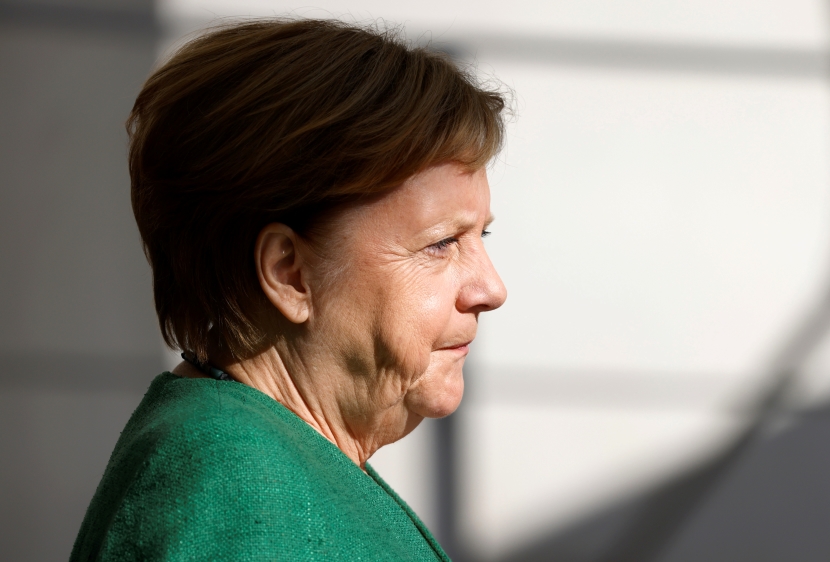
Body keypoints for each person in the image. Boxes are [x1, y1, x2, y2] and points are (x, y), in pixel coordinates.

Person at [70, 18, 507, 561]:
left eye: (480, 234)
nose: (491, 288)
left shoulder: (259, 459)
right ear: (289, 274)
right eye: (440, 243)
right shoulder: (236, 491)